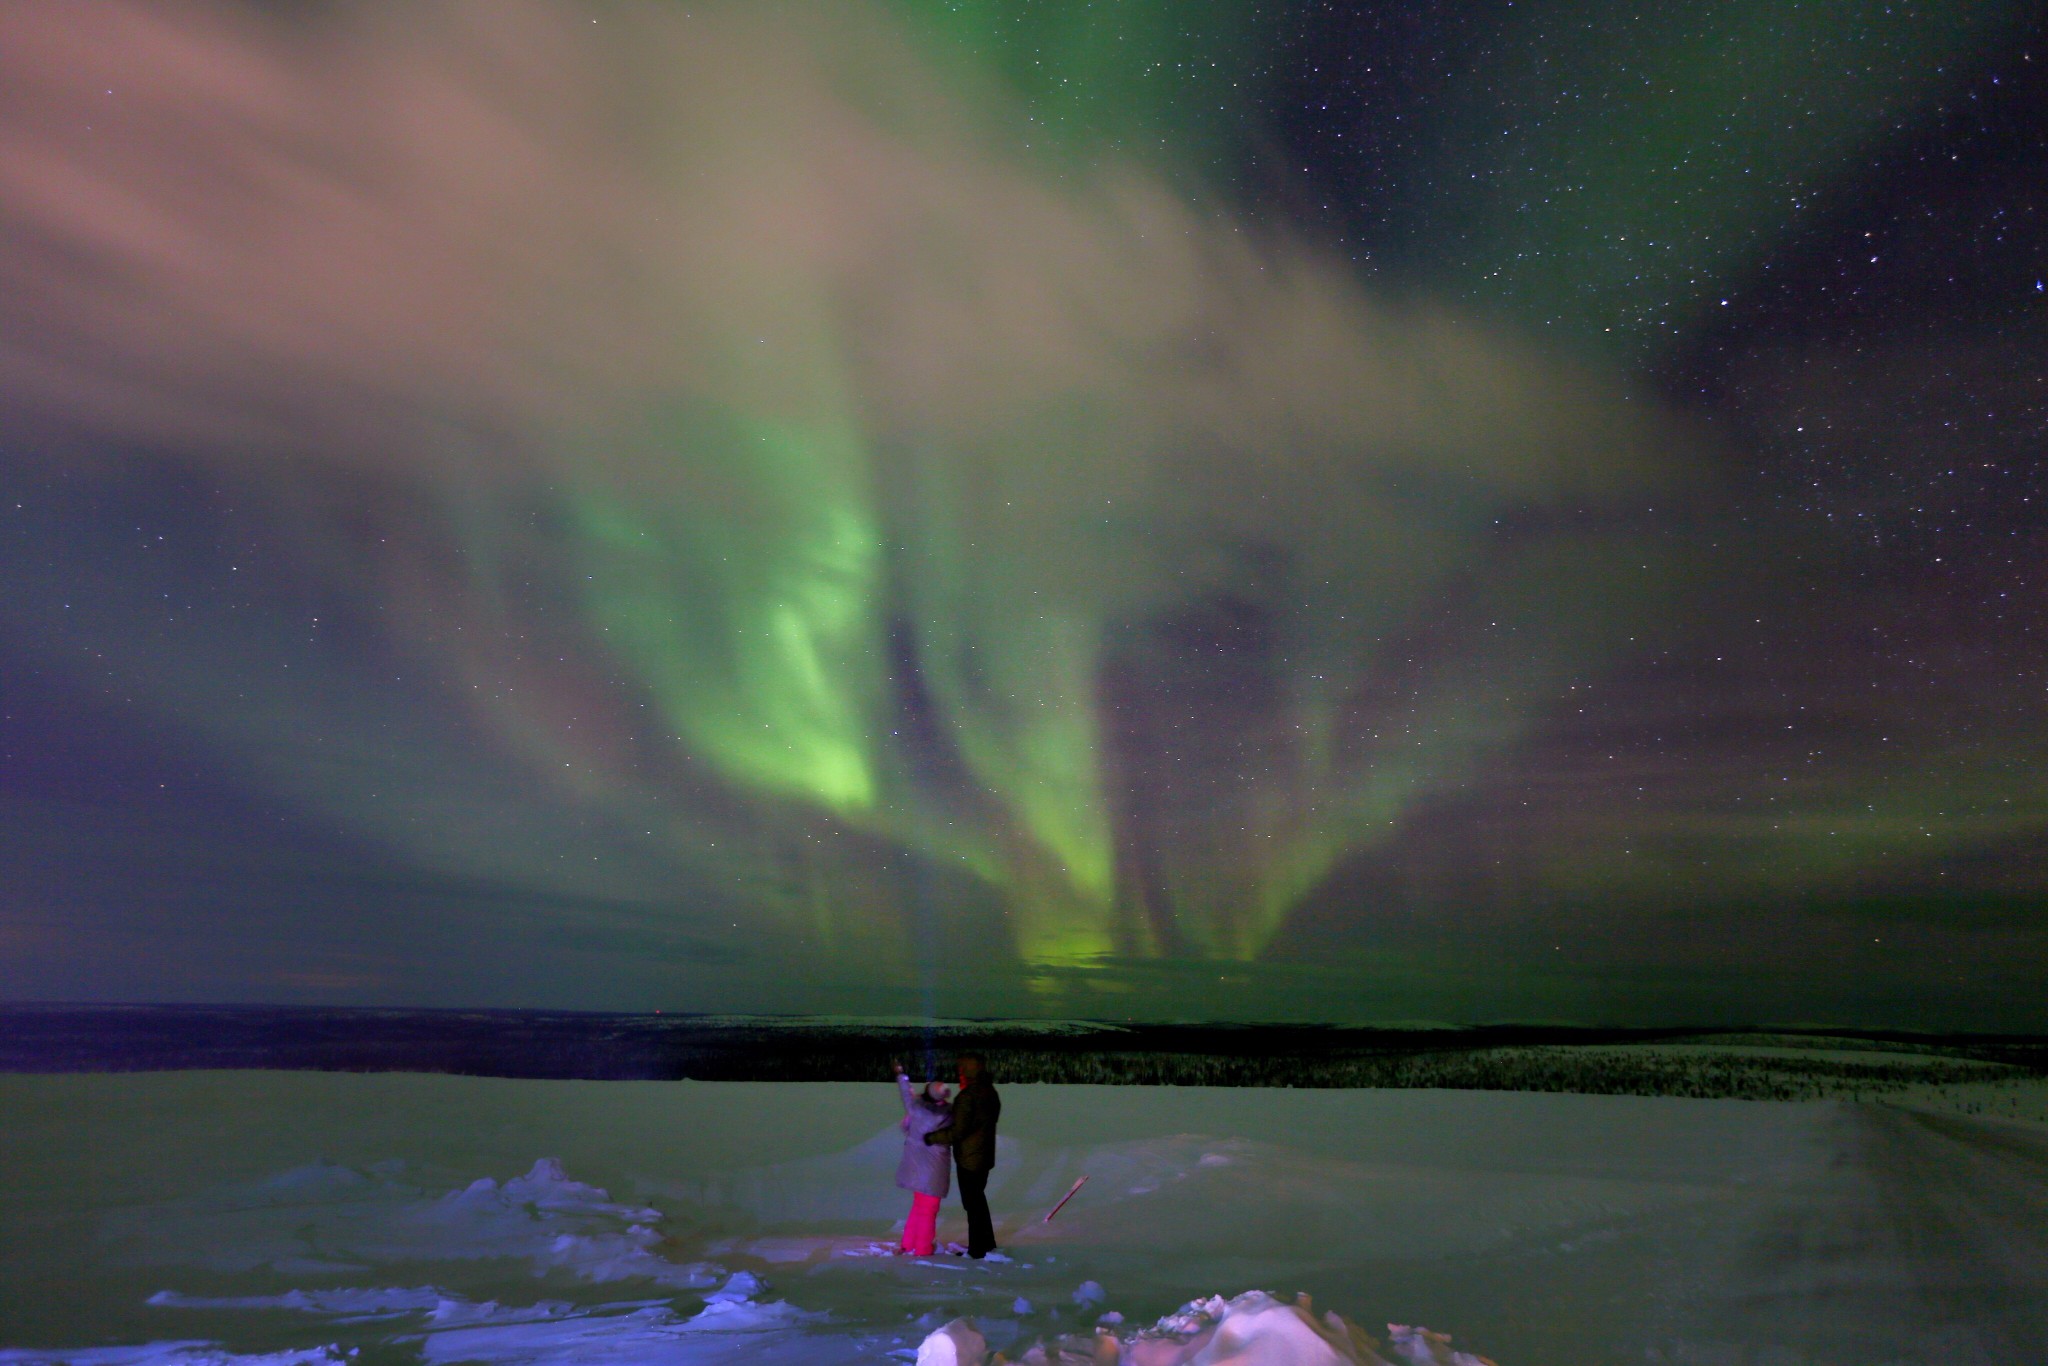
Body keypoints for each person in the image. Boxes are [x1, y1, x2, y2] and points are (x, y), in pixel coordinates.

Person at [923, 1051, 1001, 1257]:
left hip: (970, 1158)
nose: (959, 1073)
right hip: (984, 1154)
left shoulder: (968, 1096)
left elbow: (958, 1131)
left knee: (973, 1204)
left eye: (961, 1068)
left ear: (968, 1070)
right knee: (978, 1201)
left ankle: (977, 1250)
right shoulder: (989, 1091)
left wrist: (932, 1137)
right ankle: (987, 1243)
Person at [890, 1058, 952, 1256]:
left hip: (915, 1169)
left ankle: (907, 1244)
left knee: (918, 1208)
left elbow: (906, 1094)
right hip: (934, 1171)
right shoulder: (948, 1114)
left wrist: (901, 1074)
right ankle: (923, 1249)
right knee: (928, 1211)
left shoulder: (916, 1108)